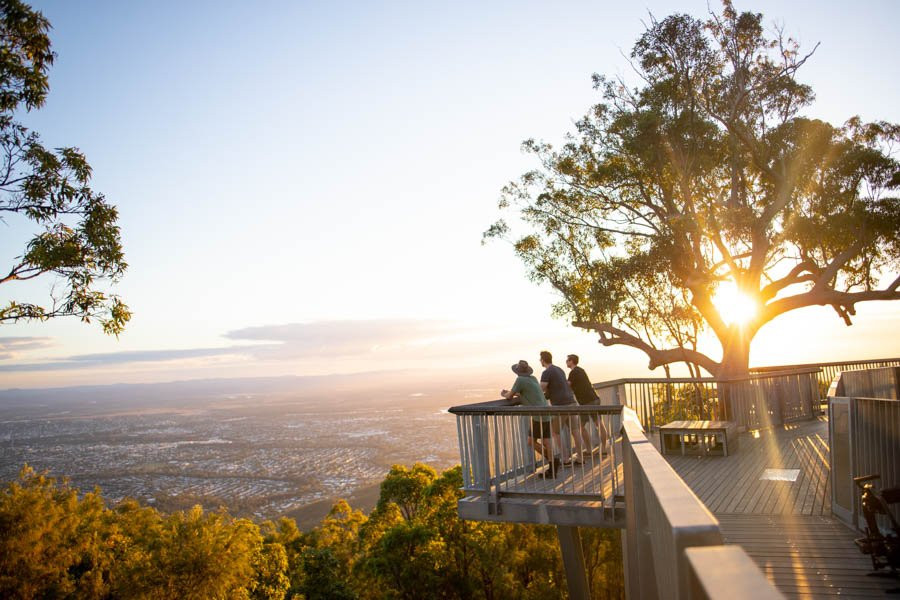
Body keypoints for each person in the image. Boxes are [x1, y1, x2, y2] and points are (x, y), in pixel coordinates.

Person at [501, 360, 559, 477]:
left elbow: (509, 396)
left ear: (517, 371)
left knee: (531, 441)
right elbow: (528, 393)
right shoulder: (533, 378)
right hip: (546, 411)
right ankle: (552, 467)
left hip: (538, 415)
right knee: (547, 441)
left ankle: (552, 460)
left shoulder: (520, 380)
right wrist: (516, 394)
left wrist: (504, 394)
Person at [566, 354, 610, 457]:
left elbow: (568, 385)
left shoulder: (573, 372)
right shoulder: (581, 370)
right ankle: (604, 449)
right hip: (594, 398)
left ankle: (589, 450)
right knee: (599, 423)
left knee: (580, 426)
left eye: (567, 360)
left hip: (586, 402)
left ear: (572, 361)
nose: (566, 362)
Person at [538, 350, 577, 465]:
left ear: (543, 360)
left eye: (540, 359)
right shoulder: (559, 369)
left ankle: (565, 459)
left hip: (561, 405)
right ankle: (580, 457)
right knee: (575, 430)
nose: (540, 361)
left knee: (555, 432)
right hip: (571, 402)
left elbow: (541, 388)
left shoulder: (547, 372)